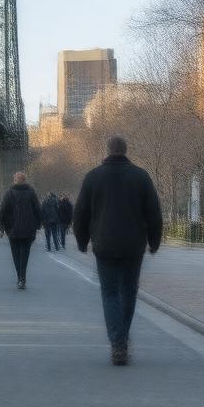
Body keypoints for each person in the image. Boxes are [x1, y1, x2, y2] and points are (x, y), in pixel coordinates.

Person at [73, 136, 163, 366]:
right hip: (134, 245)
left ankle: (118, 342)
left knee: (110, 293)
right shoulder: (141, 177)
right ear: (126, 150)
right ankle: (122, 339)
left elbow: (80, 213)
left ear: (108, 150)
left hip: (104, 244)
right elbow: (154, 211)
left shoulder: (93, 177)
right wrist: (154, 241)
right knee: (129, 292)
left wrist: (82, 240)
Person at [0, 172, 42, 289]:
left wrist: (0, 226)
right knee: (25, 255)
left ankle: (20, 278)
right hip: (28, 230)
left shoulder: (9, 193)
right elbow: (38, 209)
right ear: (25, 180)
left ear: (15, 180)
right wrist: (38, 225)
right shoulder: (31, 192)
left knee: (16, 255)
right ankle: (23, 277)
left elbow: (3, 210)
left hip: (13, 230)